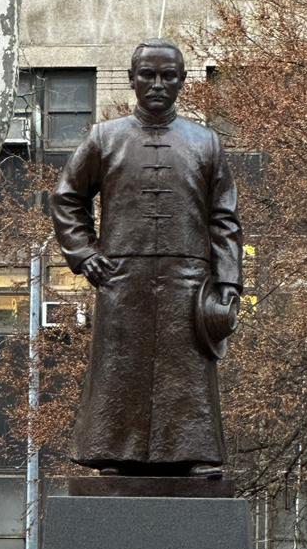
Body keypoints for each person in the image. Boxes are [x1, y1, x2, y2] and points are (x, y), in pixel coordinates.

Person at [51, 39, 243, 476]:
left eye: (168, 76)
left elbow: (224, 218)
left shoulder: (205, 142)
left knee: (187, 378)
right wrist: (84, 253)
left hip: (188, 282)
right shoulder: (105, 138)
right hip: (123, 277)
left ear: (182, 81)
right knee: (120, 371)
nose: (158, 84)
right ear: (132, 79)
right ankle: (113, 452)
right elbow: (67, 199)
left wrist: (228, 284)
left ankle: (193, 455)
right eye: (148, 75)